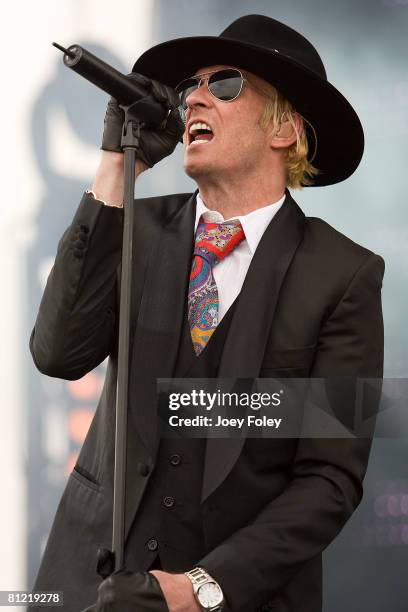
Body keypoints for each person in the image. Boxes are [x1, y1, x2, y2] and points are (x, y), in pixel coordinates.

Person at [30, 14, 384, 612]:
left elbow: (328, 479)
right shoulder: (134, 226)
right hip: (88, 589)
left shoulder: (342, 274)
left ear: (286, 131)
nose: (194, 96)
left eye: (224, 85)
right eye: (192, 85)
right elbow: (57, 353)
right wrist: (119, 166)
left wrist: (200, 589)